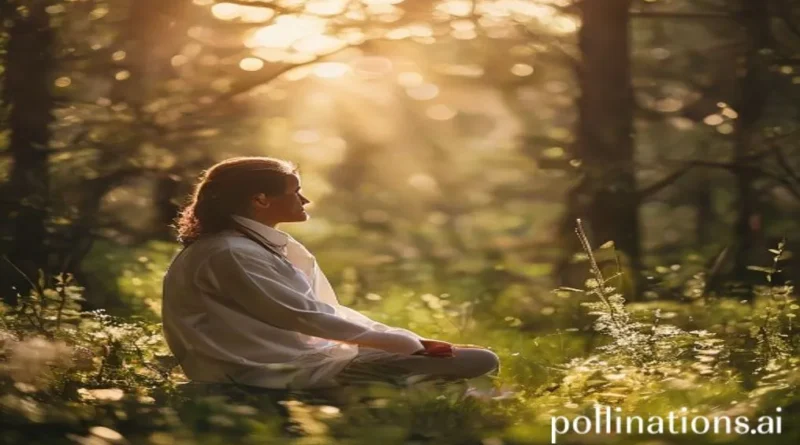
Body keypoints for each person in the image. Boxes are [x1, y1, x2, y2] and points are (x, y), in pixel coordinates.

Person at [162, 156, 499, 390]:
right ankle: (364, 395)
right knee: (478, 362)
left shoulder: (255, 245)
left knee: (473, 358)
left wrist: (408, 340)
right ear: (260, 199)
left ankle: (403, 391)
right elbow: (306, 317)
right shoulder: (231, 252)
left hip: (308, 357)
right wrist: (405, 345)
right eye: (295, 191)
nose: (305, 199)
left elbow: (325, 312)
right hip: (265, 372)